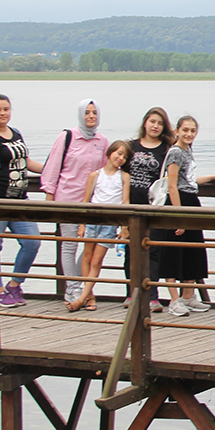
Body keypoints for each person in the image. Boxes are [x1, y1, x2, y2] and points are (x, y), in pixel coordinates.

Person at [0, 92, 44, 307]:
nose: (2, 113)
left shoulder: (16, 134)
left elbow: (26, 161)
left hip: (19, 200)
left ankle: (14, 285)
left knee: (32, 242)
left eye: (6, 109)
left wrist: (52, 171)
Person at [40, 99, 109, 310]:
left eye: (94, 113)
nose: (91, 116)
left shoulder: (102, 141)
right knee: (69, 245)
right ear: (81, 115)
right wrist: (49, 196)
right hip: (67, 199)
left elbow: (107, 172)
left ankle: (80, 286)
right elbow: (52, 166)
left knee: (91, 245)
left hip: (92, 202)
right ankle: (73, 288)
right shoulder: (68, 137)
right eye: (87, 112)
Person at [68, 140, 132, 312]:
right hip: (92, 220)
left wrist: (124, 227)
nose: (120, 158)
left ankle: (81, 299)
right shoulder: (95, 175)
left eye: (124, 157)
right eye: (118, 153)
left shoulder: (124, 177)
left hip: (109, 224)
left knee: (97, 261)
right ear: (110, 153)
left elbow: (125, 202)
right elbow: (86, 200)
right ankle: (90, 296)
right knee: (87, 257)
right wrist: (81, 224)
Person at [158, 115, 209, 317]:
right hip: (177, 203)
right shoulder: (175, 153)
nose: (189, 134)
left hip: (190, 199)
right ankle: (173, 299)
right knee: (173, 251)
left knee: (193, 250)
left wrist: (212, 178)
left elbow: (188, 179)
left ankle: (188, 295)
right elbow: (172, 185)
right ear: (177, 131)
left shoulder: (188, 150)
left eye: (192, 131)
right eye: (185, 130)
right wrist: (178, 215)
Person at [123, 107, 172, 311]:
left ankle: (152, 295)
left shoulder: (167, 149)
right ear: (145, 123)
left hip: (154, 208)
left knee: (153, 251)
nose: (155, 126)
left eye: (160, 123)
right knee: (130, 251)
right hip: (131, 206)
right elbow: (121, 174)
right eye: (152, 121)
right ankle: (131, 293)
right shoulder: (131, 146)